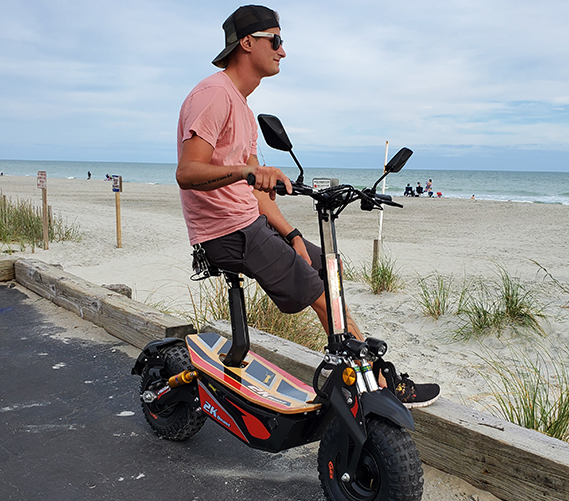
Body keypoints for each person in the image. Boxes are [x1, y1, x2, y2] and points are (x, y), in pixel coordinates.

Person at [175, 5, 439, 407]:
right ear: (248, 43)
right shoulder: (214, 95)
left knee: (328, 269)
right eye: (276, 41)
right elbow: (188, 171)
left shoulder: (242, 107)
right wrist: (245, 174)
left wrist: (292, 234)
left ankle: (350, 370)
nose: (283, 51)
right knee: (319, 292)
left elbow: (257, 192)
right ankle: (375, 388)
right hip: (226, 232)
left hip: (249, 224)